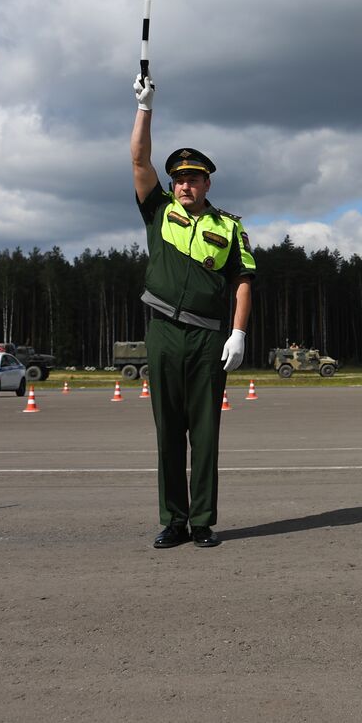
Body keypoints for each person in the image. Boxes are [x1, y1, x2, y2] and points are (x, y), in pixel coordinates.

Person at [131, 72, 256, 550]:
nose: (185, 185)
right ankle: (173, 520)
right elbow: (138, 158)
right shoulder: (158, 211)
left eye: (194, 178)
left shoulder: (230, 227)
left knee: (205, 433)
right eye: (179, 179)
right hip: (163, 332)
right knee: (168, 434)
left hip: (208, 338)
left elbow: (243, 281)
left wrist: (238, 333)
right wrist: (145, 108)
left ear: (207, 182)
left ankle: (202, 520)